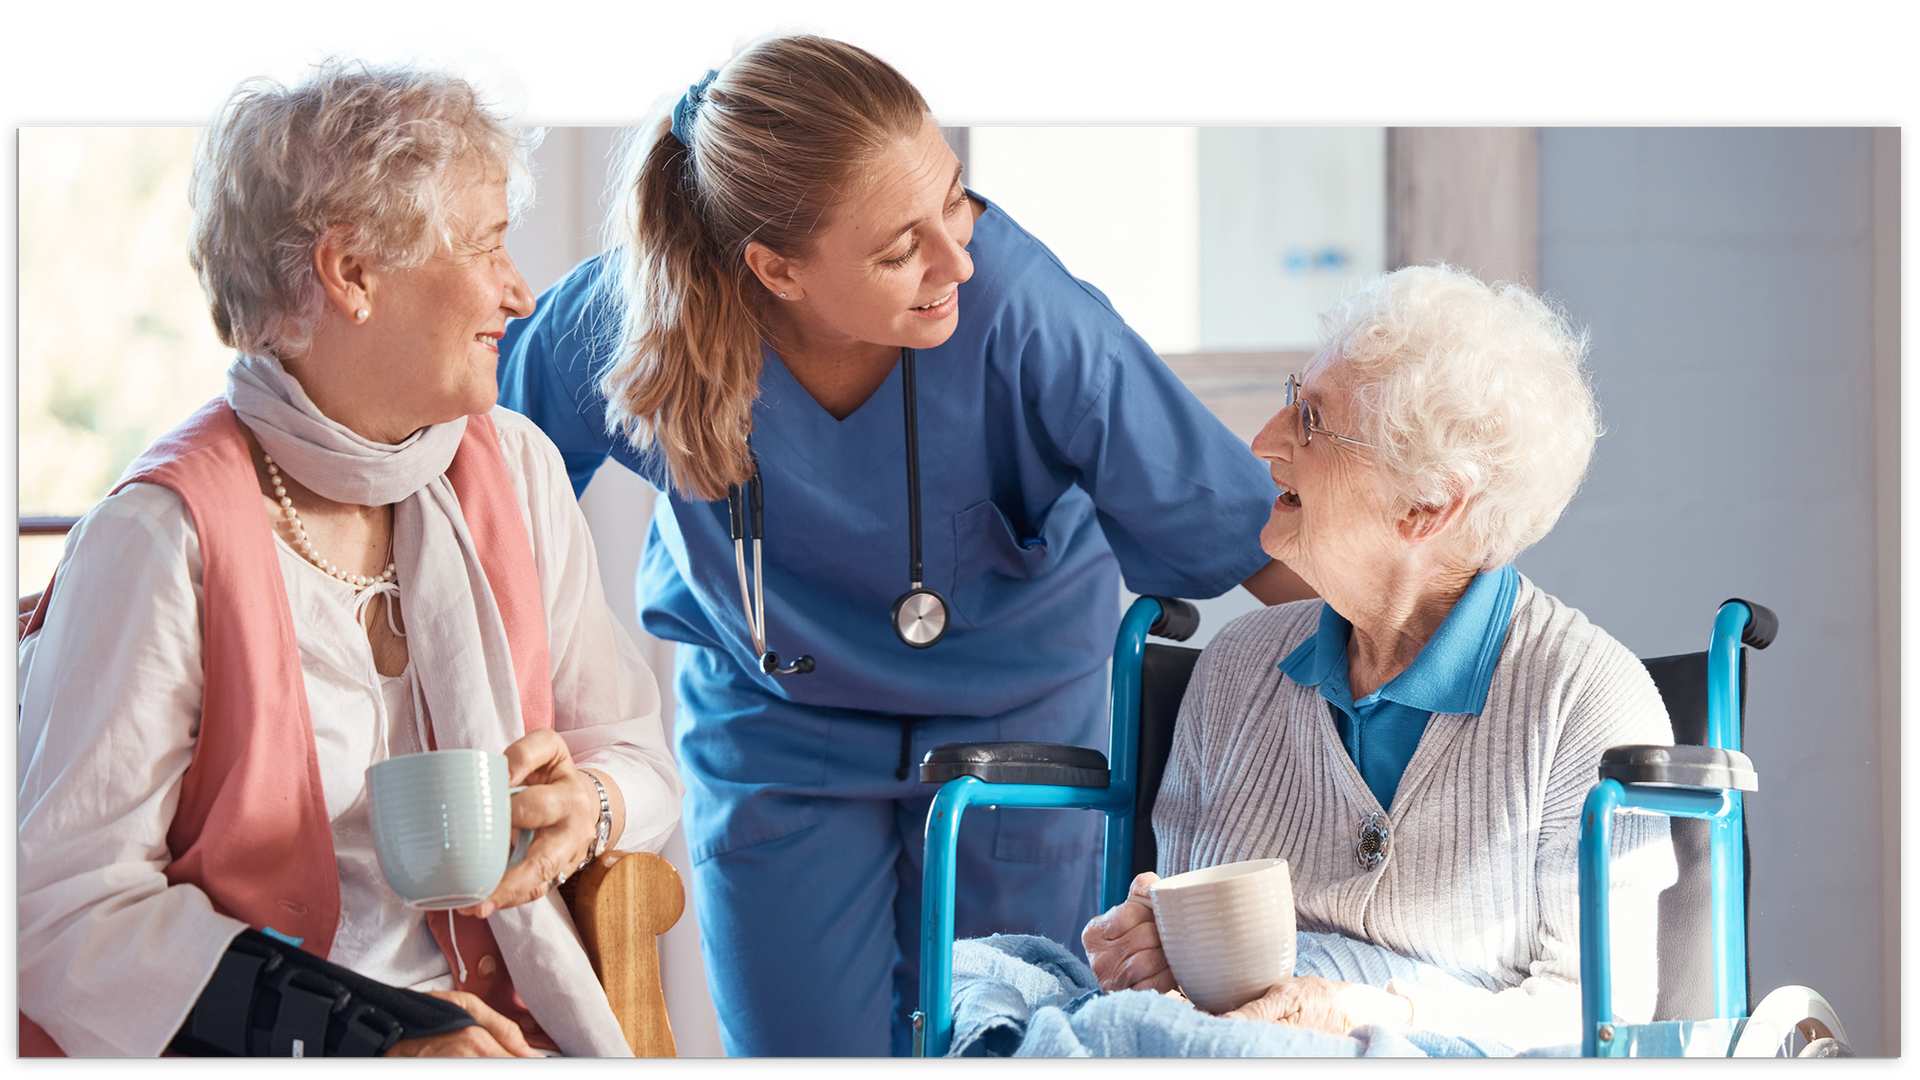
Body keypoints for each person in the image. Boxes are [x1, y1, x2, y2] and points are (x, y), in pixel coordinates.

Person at [496, 23, 1312, 1057]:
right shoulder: (627, 318)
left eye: (955, 198)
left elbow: (1246, 537)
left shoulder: (1023, 311)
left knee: (1005, 1037)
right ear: (776, 270)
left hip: (1016, 731)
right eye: (898, 248)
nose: (956, 256)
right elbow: (487, 496)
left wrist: (1464, 661)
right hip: (776, 728)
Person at [18, 29, 682, 1057]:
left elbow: (637, 754)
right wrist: (377, 1035)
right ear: (352, 271)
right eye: (486, 243)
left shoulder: (516, 469)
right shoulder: (158, 537)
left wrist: (585, 804)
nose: (519, 291)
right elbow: (67, 917)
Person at [1082, 265, 1679, 1054]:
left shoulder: (1588, 704)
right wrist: (1157, 947)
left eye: (1311, 421)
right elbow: (1193, 995)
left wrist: (1372, 1014)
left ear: (1427, 504)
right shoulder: (1235, 668)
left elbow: (1598, 1015)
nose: (1264, 441)